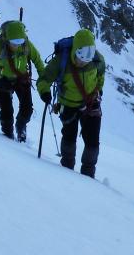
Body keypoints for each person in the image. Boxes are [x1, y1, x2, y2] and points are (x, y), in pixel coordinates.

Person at [37, 29, 105, 178]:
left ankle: (88, 174)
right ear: (75, 50)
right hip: (68, 105)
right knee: (69, 137)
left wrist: (98, 89)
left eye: (87, 58)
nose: (83, 62)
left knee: (92, 141)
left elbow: (101, 73)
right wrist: (44, 92)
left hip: (90, 103)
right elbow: (44, 79)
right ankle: (66, 171)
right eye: (81, 57)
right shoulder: (61, 61)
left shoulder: (97, 59)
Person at [0, 15, 45, 142]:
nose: (17, 46)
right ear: (6, 39)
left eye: (20, 42)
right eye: (14, 43)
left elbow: (38, 60)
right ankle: (7, 132)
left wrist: (44, 77)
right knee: (6, 109)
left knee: (27, 108)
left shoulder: (26, 45)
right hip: (4, 79)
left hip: (22, 79)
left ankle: (21, 126)